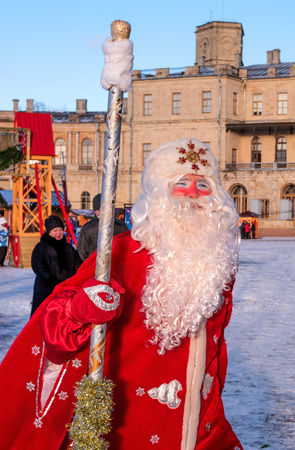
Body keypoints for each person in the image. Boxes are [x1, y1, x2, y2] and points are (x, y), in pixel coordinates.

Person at [0, 138, 242, 450]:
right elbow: (54, 320)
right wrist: (81, 308)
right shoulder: (122, 252)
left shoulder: (217, 262)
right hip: (130, 426)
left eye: (203, 184)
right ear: (159, 193)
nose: (194, 193)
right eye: (182, 182)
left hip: (203, 428)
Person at [30, 215, 82, 317]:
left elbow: (78, 266)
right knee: (42, 317)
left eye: (60, 230)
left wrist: (75, 280)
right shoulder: (41, 247)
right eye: (55, 230)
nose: (58, 233)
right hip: (46, 289)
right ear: (49, 232)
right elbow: (38, 266)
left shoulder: (69, 248)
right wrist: (50, 280)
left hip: (65, 290)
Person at [77, 193, 129, 261]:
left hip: (116, 265)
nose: (102, 212)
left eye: (104, 209)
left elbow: (127, 248)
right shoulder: (87, 228)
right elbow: (81, 252)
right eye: (98, 210)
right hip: (93, 267)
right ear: (95, 211)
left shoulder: (121, 226)